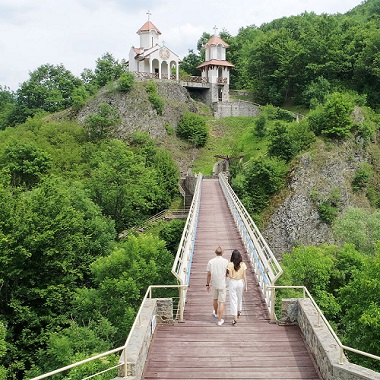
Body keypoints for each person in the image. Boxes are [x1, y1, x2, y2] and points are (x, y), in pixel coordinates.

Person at [206, 246, 229, 326]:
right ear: (222, 253)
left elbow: (209, 274)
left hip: (214, 283)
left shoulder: (211, 262)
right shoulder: (226, 261)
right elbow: (227, 273)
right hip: (222, 284)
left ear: (215, 253)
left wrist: (207, 284)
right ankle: (219, 320)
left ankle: (216, 313)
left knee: (215, 299)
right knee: (221, 302)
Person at [227, 249, 247, 326]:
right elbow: (244, 276)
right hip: (240, 282)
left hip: (233, 282)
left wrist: (227, 275)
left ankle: (235, 317)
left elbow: (230, 276)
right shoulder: (243, 264)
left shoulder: (230, 264)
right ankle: (239, 310)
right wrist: (246, 285)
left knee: (233, 299)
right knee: (239, 297)